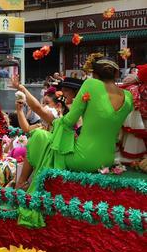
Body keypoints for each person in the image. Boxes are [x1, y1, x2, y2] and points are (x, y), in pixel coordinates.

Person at [18, 55, 133, 193]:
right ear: (116, 74)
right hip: (107, 159)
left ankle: (21, 183)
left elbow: (69, 121)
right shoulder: (128, 96)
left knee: (39, 135)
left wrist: (55, 122)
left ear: (94, 74)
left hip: (83, 158)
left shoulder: (91, 84)